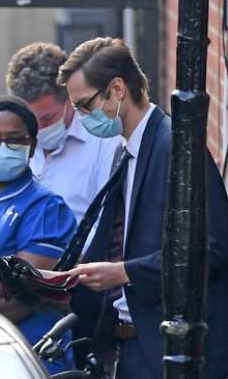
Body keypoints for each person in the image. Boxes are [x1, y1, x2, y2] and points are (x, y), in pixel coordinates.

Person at [58, 37, 228, 379]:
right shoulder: (126, 151)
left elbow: (213, 247)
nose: (80, 118)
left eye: (84, 106)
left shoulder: (173, 146)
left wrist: (125, 272)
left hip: (173, 353)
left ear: (117, 89)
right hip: (131, 347)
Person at [0, 42, 119, 232]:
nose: (37, 129)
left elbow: (110, 226)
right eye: (27, 119)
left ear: (69, 100)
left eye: (47, 118)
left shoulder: (105, 144)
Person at [0, 96, 76, 374]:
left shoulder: (46, 207)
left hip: (31, 352)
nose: (3, 148)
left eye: (15, 140)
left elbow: (24, 292)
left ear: (31, 147)